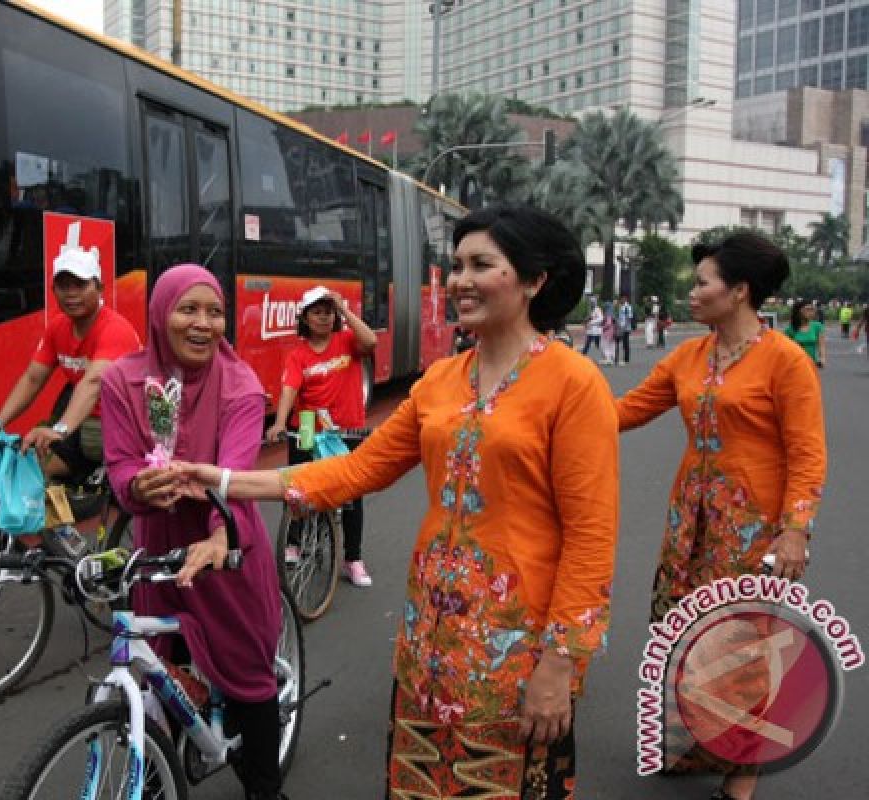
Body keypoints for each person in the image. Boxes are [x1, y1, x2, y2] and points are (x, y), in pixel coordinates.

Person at [180, 206, 618, 799]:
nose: (460, 280)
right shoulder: (441, 380)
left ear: (535, 280)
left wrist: (561, 663)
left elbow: (591, 536)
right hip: (429, 635)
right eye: (456, 264)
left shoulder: (574, 382)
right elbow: (358, 468)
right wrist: (225, 480)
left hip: (521, 646)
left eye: (481, 265)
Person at [615, 232, 825, 800]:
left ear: (738, 291)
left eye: (702, 281)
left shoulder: (785, 362)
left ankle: (745, 770)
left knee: (743, 648)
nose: (692, 291)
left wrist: (795, 528)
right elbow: (628, 409)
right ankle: (698, 745)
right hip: (689, 526)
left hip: (751, 532)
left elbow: (807, 452)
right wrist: (558, 405)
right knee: (682, 635)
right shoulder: (689, 356)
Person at [99, 264, 285, 800]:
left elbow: (232, 475)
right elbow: (119, 467)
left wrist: (218, 536)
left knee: (251, 680)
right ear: (160, 314)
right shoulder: (122, 381)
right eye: (188, 309)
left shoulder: (242, 387)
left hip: (225, 544)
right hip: (159, 548)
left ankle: (264, 788)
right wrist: (139, 487)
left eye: (215, 311)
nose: (203, 323)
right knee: (158, 670)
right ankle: (155, 781)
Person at [0, 247, 141, 483]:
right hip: (82, 421)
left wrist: (59, 431)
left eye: (80, 285)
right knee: (33, 466)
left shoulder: (114, 329)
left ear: (99, 288)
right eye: (63, 286)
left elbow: (93, 382)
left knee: (61, 462)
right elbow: (33, 378)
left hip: (121, 424)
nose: (71, 294)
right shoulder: (57, 328)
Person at [265, 285, 378, 587]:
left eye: (328, 312)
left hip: (347, 427)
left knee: (352, 495)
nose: (324, 317)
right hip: (305, 424)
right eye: (317, 312)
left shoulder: (347, 341)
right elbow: (290, 388)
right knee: (297, 487)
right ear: (305, 318)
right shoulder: (298, 355)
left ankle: (352, 558)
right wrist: (278, 423)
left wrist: (345, 310)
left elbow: (371, 341)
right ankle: (295, 543)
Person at [783, 299, 827, 368]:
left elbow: (821, 345)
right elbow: (785, 349)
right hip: (795, 365)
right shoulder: (790, 330)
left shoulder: (817, 326)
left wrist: (822, 358)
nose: (811, 312)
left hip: (811, 364)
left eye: (812, 309)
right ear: (799, 311)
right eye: (807, 309)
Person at [616, 294, 634, 365]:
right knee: (622, 343)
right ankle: (620, 357)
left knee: (625, 343)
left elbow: (629, 318)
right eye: (620, 299)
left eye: (622, 299)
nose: (621, 300)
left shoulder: (627, 307)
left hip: (625, 328)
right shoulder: (621, 306)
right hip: (620, 326)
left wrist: (625, 327)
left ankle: (626, 359)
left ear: (625, 299)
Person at [600, 301, 617, 366]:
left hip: (607, 332)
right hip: (613, 332)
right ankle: (613, 357)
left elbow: (608, 323)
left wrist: (602, 326)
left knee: (606, 345)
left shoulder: (608, 314)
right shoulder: (613, 314)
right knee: (612, 345)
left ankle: (608, 359)